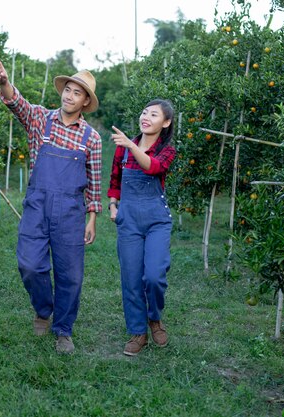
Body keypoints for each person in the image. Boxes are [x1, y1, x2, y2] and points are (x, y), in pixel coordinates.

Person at [0, 59, 102, 354]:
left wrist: (92, 218)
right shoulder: (41, 119)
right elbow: (17, 103)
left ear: (85, 101)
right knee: (29, 264)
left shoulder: (92, 138)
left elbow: (93, 181)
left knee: (71, 275)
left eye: (77, 93)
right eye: (67, 89)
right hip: (38, 204)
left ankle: (63, 329)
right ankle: (43, 309)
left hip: (70, 211)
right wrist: (4, 82)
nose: (69, 96)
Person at [107, 99, 176, 356]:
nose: (146, 117)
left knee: (155, 276)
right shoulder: (123, 150)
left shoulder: (167, 150)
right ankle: (138, 331)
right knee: (131, 278)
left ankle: (154, 317)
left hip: (157, 218)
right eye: (145, 112)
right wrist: (114, 205)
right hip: (129, 220)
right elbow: (115, 178)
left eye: (154, 114)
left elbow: (152, 167)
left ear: (165, 122)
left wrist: (131, 146)